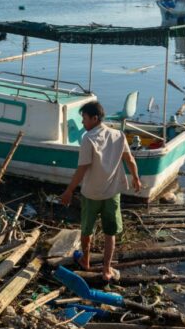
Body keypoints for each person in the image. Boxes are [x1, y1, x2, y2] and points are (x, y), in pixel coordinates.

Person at [60, 101, 141, 282]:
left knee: (87, 230)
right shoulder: (118, 135)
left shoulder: (88, 139)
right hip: (112, 193)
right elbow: (129, 159)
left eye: (84, 119)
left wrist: (68, 191)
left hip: (91, 193)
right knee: (109, 233)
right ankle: (106, 269)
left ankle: (86, 260)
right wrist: (136, 177)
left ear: (94, 118)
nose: (82, 123)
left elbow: (81, 169)